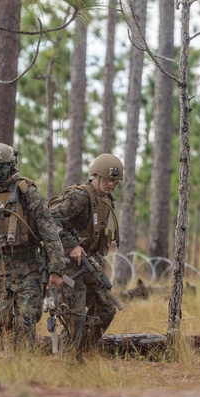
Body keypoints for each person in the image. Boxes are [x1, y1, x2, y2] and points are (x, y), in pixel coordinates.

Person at [0, 143, 65, 350]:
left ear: (12, 166)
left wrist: (56, 270)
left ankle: (24, 363)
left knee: (26, 319)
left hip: (27, 267)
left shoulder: (26, 192)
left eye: (3, 167)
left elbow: (49, 232)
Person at [48, 153, 123, 357]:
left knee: (106, 308)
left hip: (90, 263)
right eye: (108, 180)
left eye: (115, 181)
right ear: (96, 176)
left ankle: (79, 352)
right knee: (75, 316)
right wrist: (71, 245)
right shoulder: (79, 196)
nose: (112, 184)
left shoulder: (106, 200)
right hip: (69, 267)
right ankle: (68, 360)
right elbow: (48, 220)